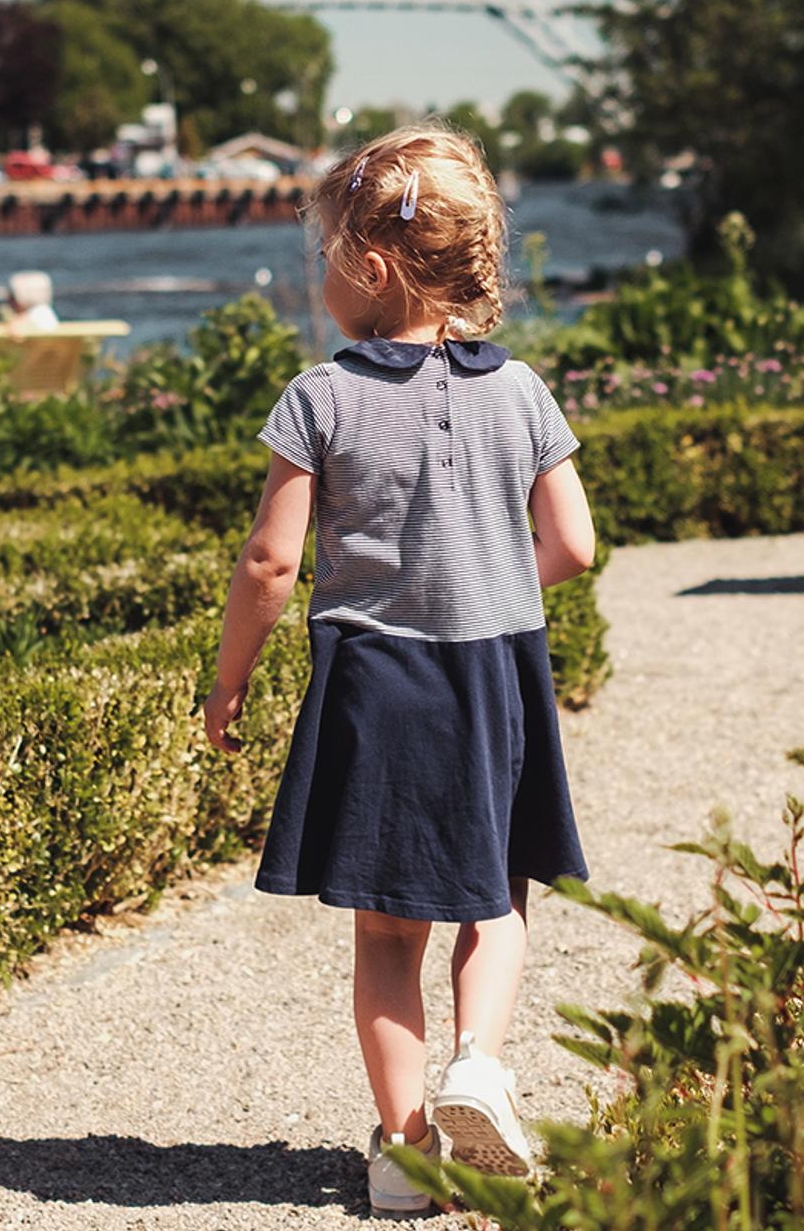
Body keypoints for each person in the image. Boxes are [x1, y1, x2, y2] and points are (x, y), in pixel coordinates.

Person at [201, 122, 596, 1216]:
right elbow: (573, 546)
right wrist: (488, 585)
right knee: (495, 896)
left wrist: (227, 680)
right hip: (493, 676)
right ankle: (478, 1063)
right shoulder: (521, 391)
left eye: (325, 254)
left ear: (369, 267)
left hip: (376, 683)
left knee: (385, 931)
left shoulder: (317, 399)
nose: (319, 275)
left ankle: (403, 1150)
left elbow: (271, 561)